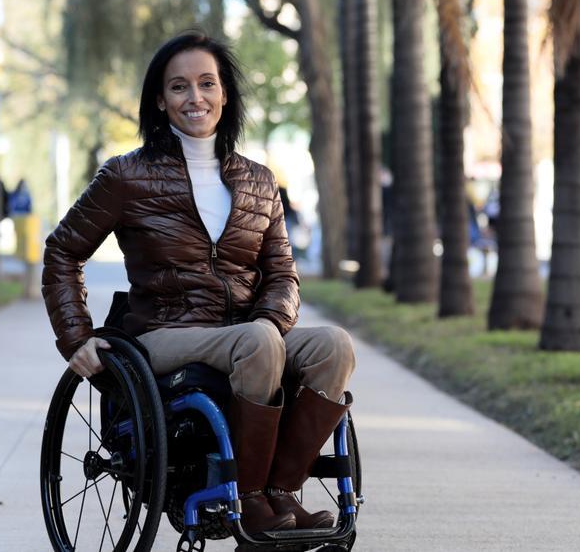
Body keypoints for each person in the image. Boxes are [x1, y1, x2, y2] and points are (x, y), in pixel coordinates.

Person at [42, 31, 356, 535]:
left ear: (225, 94)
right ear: (161, 101)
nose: (195, 98)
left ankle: (279, 492)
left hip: (247, 332)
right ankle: (248, 500)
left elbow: (282, 274)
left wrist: (270, 324)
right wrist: (76, 337)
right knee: (256, 342)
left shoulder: (258, 181)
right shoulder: (127, 176)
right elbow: (62, 250)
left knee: (333, 346)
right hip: (162, 333)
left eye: (206, 84)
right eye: (179, 87)